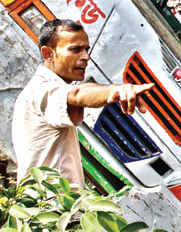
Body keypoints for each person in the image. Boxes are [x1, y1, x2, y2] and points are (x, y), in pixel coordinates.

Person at [12, 19, 153, 187]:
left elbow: (83, 88)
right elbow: (77, 95)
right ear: (48, 54)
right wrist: (114, 91)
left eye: (86, 49)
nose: (86, 57)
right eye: (75, 49)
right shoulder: (40, 92)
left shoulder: (41, 88)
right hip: (54, 207)